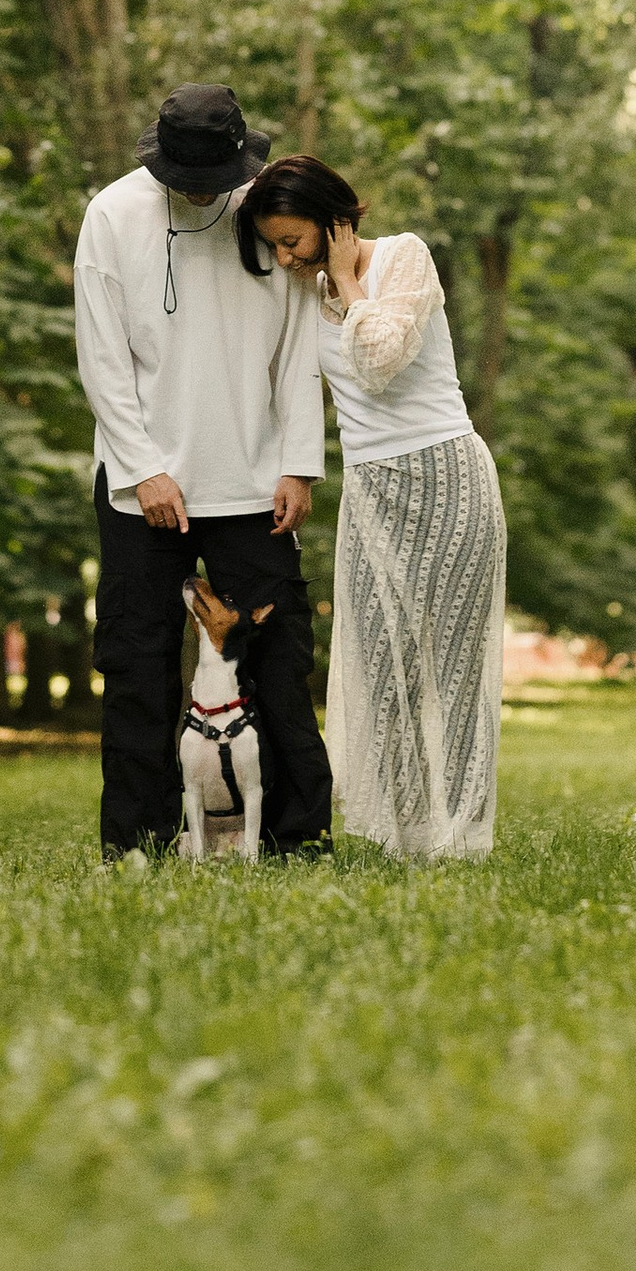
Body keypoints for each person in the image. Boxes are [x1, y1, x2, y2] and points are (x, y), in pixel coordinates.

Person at [71, 83, 334, 859]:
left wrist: (299, 464)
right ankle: (139, 841)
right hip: (139, 486)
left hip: (255, 483)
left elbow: (297, 349)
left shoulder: (270, 214)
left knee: (281, 662)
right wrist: (144, 466)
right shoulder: (112, 215)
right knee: (136, 662)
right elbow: (102, 357)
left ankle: (298, 837)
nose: (198, 190)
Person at [240, 154, 506, 861]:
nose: (284, 256)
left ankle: (461, 834)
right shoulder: (303, 292)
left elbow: (382, 357)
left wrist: (351, 279)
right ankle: (407, 832)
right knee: (381, 663)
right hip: (370, 489)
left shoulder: (405, 258)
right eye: (274, 244)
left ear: (333, 223)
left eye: (292, 239)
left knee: (454, 662)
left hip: (448, 474)